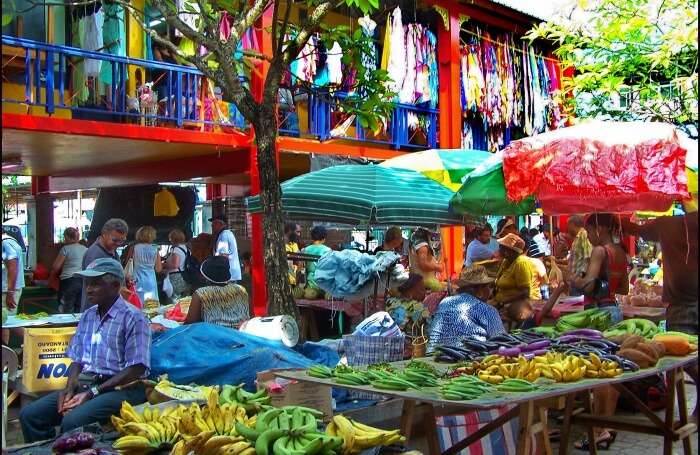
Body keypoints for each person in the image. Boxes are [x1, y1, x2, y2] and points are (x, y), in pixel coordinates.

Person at [19, 258, 150, 442]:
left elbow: (137, 368)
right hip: (90, 384)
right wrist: (69, 387)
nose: (88, 289)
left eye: (96, 284)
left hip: (123, 389)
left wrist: (92, 393)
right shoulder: (89, 315)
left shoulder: (134, 317)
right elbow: (77, 357)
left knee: (73, 421)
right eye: (87, 283)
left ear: (114, 286)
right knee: (31, 415)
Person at [622, 212, 698, 420]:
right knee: (682, 359)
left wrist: (620, 221)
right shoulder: (669, 224)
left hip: (682, 306)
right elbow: (638, 230)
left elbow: (636, 230)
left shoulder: (670, 224)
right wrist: (619, 220)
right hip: (680, 305)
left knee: (682, 360)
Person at [571, 213, 629, 451]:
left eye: (589, 229)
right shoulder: (620, 251)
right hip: (614, 310)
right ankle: (608, 427)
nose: (588, 235)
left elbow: (589, 283)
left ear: (601, 227)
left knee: (597, 371)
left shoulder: (600, 251)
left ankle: (597, 430)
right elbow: (623, 287)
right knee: (612, 369)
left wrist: (574, 278)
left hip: (597, 314)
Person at [427, 265, 505, 351]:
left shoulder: (444, 302)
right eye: (489, 286)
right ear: (480, 290)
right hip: (465, 359)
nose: (490, 291)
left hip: (432, 355)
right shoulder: (487, 310)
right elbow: (502, 342)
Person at [184, 256, 250, 328]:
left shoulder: (202, 293)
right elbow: (250, 316)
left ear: (206, 277)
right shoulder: (241, 289)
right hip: (241, 335)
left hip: (215, 337)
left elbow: (190, 325)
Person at [80, 219, 129, 311]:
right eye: (115, 240)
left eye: (122, 241)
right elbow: (95, 283)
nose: (118, 244)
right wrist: (119, 288)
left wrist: (123, 277)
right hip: (96, 310)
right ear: (104, 234)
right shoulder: (95, 253)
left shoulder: (112, 250)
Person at [493, 233, 541, 311]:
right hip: (500, 302)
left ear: (508, 251)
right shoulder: (506, 261)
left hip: (514, 307)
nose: (498, 250)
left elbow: (525, 292)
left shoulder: (521, 263)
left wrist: (502, 303)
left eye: (501, 247)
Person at [50, 228, 87, 313]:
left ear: (67, 237)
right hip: (82, 280)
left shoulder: (65, 249)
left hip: (68, 281)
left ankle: (66, 325)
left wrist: (51, 279)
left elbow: (56, 267)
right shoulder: (85, 249)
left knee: (66, 309)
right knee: (79, 308)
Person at [129, 226, 162, 304]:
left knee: (137, 303)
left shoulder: (134, 247)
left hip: (136, 279)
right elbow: (158, 269)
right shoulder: (155, 248)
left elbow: (129, 264)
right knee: (151, 305)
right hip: (150, 279)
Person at [566, 215, 592, 296]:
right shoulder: (577, 237)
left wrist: (581, 277)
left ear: (573, 224)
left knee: (578, 307)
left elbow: (588, 256)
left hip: (579, 280)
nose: (568, 228)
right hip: (575, 280)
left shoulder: (583, 235)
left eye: (568, 225)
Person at [210, 216, 242, 282]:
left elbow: (223, 255)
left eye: (214, 223)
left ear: (221, 224)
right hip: (229, 273)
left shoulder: (224, 235)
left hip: (228, 274)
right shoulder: (226, 233)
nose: (212, 225)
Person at [301, 226, 332, 290]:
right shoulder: (327, 250)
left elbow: (302, 267)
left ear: (312, 237)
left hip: (310, 283)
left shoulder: (305, 250)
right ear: (323, 238)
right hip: (323, 284)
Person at [163, 229, 190, 299]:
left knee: (174, 299)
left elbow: (175, 265)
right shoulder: (184, 247)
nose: (169, 240)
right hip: (183, 275)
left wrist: (163, 265)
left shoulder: (176, 250)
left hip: (175, 277)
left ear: (174, 238)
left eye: (170, 238)